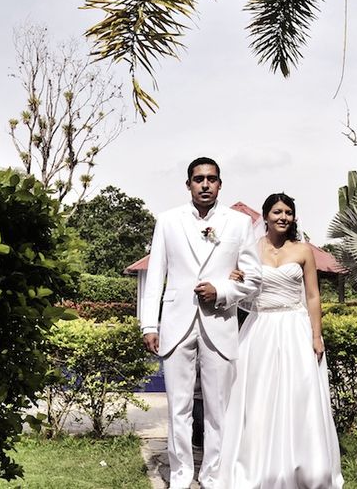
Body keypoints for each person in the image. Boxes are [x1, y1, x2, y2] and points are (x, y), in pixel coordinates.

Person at [140, 157, 262, 489]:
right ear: (188, 184)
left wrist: (221, 289)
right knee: (177, 406)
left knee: (218, 408)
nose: (205, 184)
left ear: (220, 184)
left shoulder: (239, 223)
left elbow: (253, 280)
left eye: (211, 179)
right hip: (177, 324)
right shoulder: (167, 221)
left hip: (220, 322)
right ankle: (180, 475)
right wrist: (149, 324)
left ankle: (213, 474)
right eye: (198, 179)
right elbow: (156, 278)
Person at [219, 193, 344, 489]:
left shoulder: (303, 251)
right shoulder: (249, 249)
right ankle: (258, 465)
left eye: (288, 212)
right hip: (260, 326)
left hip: (295, 327)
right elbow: (243, 289)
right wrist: (235, 278)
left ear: (293, 218)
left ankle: (303, 466)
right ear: (265, 216)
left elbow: (313, 295)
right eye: (277, 211)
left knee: (298, 394)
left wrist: (316, 335)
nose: (283, 217)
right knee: (258, 396)